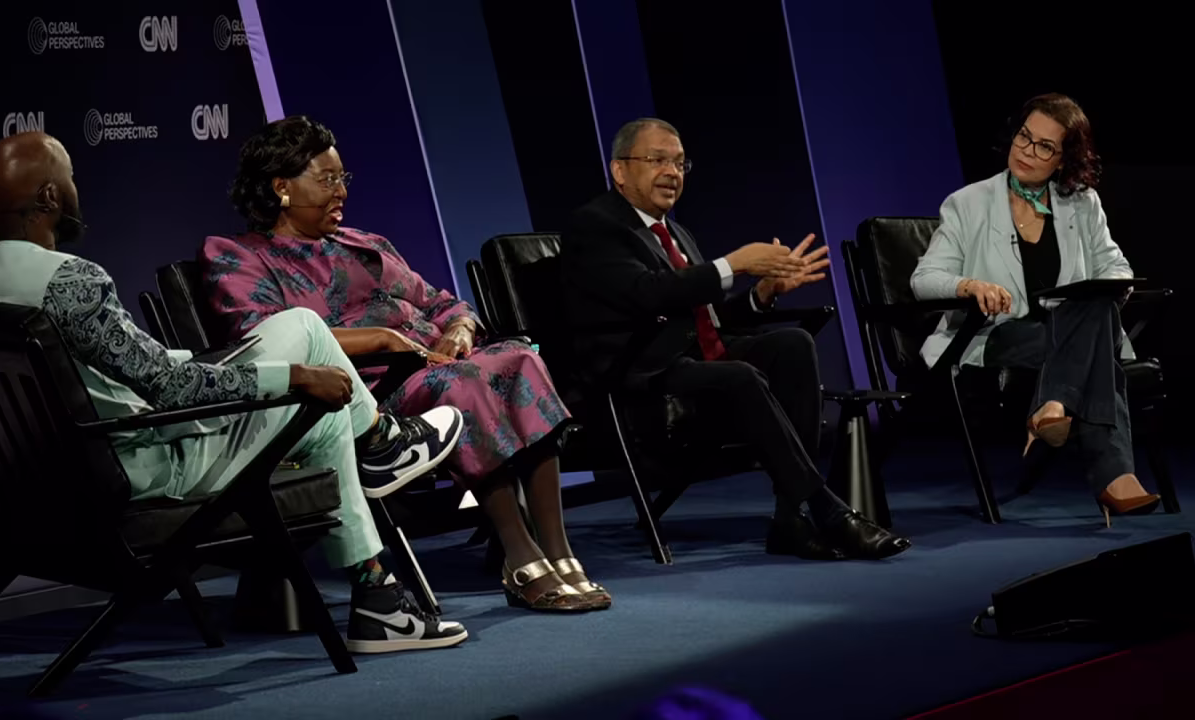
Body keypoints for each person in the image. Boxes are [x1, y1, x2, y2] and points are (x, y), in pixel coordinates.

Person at [0, 132, 471, 653]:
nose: (76, 189)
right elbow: (169, 390)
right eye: (70, 178)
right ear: (49, 197)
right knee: (311, 353)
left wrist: (205, 360)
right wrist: (293, 377)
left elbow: (131, 368)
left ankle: (380, 581)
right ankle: (381, 453)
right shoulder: (73, 282)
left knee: (311, 359)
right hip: (151, 464)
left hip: (63, 476)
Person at [199, 116, 607, 612]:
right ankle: (521, 557)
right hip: (366, 397)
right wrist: (383, 338)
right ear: (281, 187)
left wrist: (460, 329)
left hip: (439, 364)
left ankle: (559, 552)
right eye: (326, 180)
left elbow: (443, 303)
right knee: (464, 384)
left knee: (521, 358)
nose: (341, 191)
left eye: (343, 178)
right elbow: (264, 338)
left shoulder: (365, 245)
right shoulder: (239, 257)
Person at [561, 118, 910, 561]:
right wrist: (733, 264)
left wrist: (761, 295)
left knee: (792, 345)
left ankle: (789, 518)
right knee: (740, 376)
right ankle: (829, 510)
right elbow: (647, 294)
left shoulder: (677, 233)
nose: (672, 172)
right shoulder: (595, 225)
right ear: (620, 170)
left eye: (680, 163)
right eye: (657, 160)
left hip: (688, 360)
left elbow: (705, 320)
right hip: (637, 373)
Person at [910, 93, 1158, 523]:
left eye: (1045, 146)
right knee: (1097, 344)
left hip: (1067, 331)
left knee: (1097, 306)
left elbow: (1116, 266)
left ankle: (1052, 405)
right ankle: (1115, 474)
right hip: (996, 333)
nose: (1027, 151)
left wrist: (1112, 287)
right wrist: (969, 285)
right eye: (1024, 137)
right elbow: (924, 279)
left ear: (1063, 160)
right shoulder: (967, 203)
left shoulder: (1081, 202)